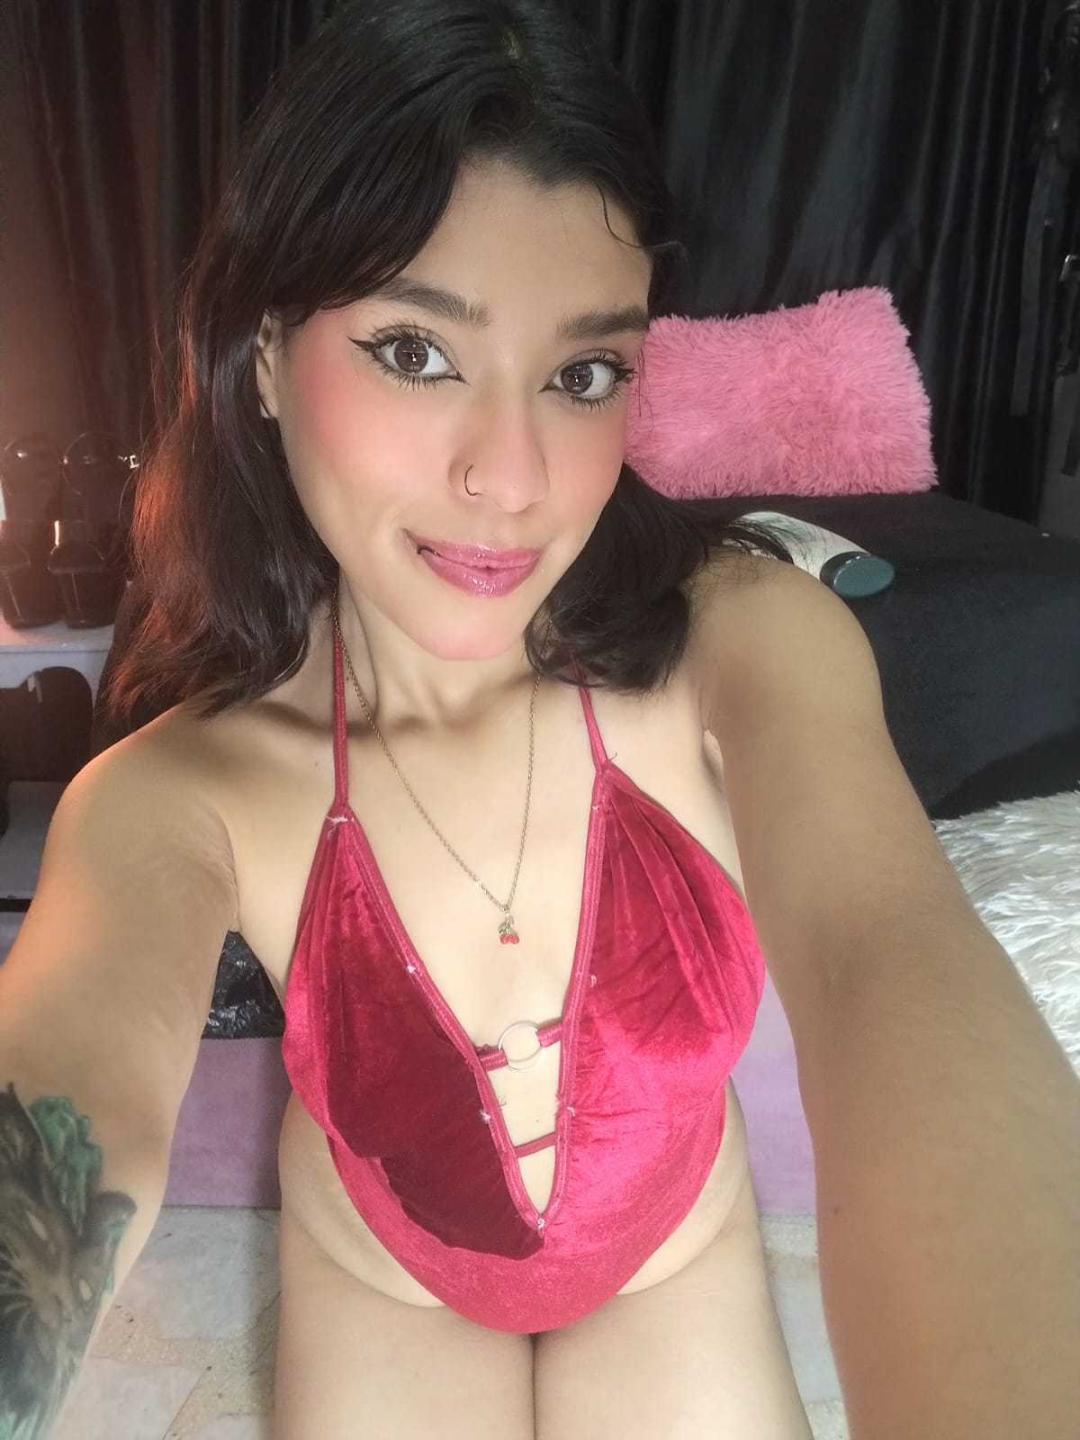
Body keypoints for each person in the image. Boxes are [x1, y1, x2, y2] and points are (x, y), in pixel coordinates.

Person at [3, 2, 1078, 1438]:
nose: (510, 479)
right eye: (415, 351)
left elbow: (892, 961)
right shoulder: (177, 796)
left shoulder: (744, 644)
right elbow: (63, 1111)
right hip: (383, 1277)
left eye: (583, 375)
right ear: (261, 355)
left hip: (670, 1255)